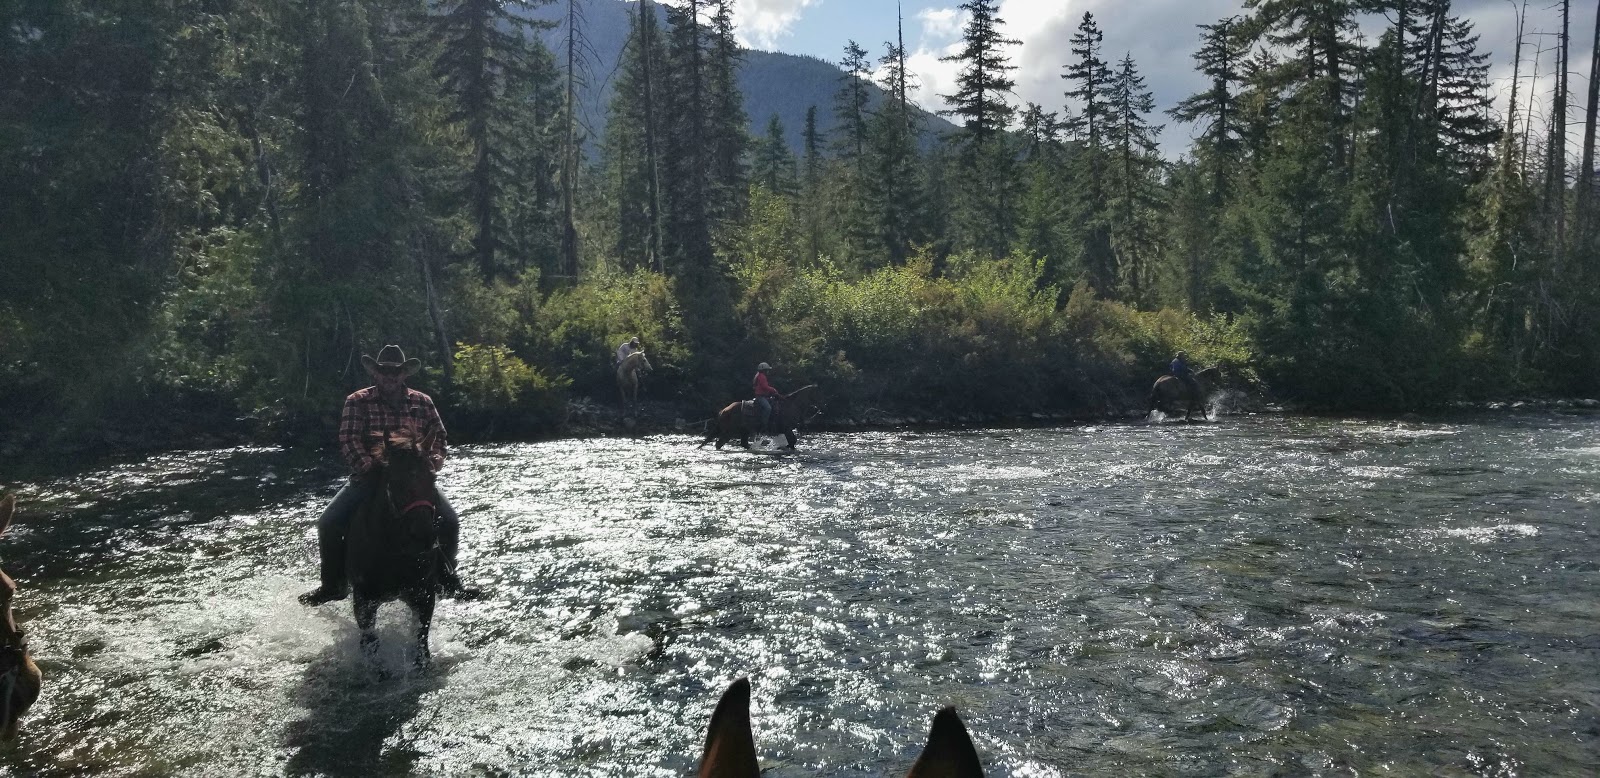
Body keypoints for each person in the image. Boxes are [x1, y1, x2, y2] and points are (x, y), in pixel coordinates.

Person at [299, 344, 479, 606]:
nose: (390, 376)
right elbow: (349, 439)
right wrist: (368, 466)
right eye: (384, 371)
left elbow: (439, 435)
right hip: (370, 477)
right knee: (328, 522)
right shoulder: (357, 401)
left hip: (413, 478)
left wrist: (435, 458)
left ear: (404, 374)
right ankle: (332, 585)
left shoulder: (422, 401)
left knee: (450, 521)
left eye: (396, 372)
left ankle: (448, 581)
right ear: (375, 373)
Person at [752, 362, 781, 433]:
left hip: (763, 396)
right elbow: (764, 387)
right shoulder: (761, 376)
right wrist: (773, 389)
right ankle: (764, 425)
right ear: (763, 370)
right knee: (768, 408)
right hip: (760, 397)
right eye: (767, 370)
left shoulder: (760, 375)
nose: (768, 371)